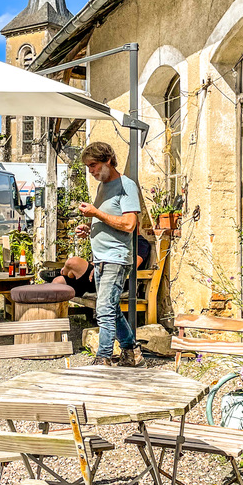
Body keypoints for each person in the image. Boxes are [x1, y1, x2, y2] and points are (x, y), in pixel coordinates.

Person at [75, 141, 145, 368]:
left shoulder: (126, 185)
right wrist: (91, 228)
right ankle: (131, 352)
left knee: (104, 309)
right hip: (101, 258)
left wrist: (95, 213)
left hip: (116, 258)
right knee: (111, 309)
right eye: (88, 167)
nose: (91, 171)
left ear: (108, 160)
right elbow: (109, 220)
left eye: (93, 165)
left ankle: (103, 357)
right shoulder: (102, 187)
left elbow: (129, 224)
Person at [43, 234, 151, 298]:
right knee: (58, 282)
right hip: (97, 276)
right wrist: (96, 264)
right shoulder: (119, 242)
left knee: (73, 262)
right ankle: (65, 273)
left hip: (111, 280)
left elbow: (130, 267)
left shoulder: (140, 243)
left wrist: (102, 265)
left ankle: (63, 271)